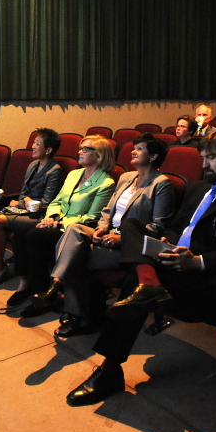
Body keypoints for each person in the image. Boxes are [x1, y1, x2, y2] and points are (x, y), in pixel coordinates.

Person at [65, 130, 216, 407]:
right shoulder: (198, 188)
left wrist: (196, 261)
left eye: (211, 157)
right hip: (168, 261)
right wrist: (166, 241)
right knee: (130, 225)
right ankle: (147, 281)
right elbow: (176, 227)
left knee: (131, 282)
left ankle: (110, 368)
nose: (205, 164)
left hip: (204, 279)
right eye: (202, 157)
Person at [20, 135, 176, 335]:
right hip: (107, 234)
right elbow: (108, 211)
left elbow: (158, 226)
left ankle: (77, 314)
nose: (133, 151)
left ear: (153, 156)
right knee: (73, 230)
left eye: (140, 149)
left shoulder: (161, 184)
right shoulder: (127, 177)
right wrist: (102, 228)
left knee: (75, 255)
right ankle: (59, 289)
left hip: (130, 245)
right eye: (134, 147)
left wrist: (122, 238)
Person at [6, 136, 116, 309]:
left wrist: (59, 223)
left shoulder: (105, 183)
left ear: (99, 155)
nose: (80, 152)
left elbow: (91, 217)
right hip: (56, 221)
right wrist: (51, 217)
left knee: (36, 236)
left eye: (86, 149)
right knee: (20, 231)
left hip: (75, 229)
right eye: (80, 148)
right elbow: (57, 201)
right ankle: (25, 284)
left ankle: (42, 293)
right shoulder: (74, 174)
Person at [0, 129, 63, 288]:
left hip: (37, 214)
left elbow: (46, 202)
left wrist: (23, 202)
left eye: (37, 144)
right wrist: (25, 200)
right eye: (34, 143)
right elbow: (23, 193)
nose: (33, 146)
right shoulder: (32, 165)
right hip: (24, 209)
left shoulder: (55, 170)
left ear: (48, 150)